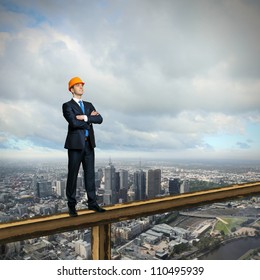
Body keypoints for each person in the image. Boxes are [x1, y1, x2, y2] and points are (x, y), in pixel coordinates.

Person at [62, 76, 106, 216]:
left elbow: (99, 119)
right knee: (73, 175)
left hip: (89, 145)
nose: (81, 87)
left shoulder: (88, 105)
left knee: (90, 175)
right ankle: (71, 206)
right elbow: (73, 123)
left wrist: (85, 117)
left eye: (82, 85)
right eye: (78, 85)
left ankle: (92, 203)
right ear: (71, 89)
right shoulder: (67, 106)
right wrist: (89, 118)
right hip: (75, 146)